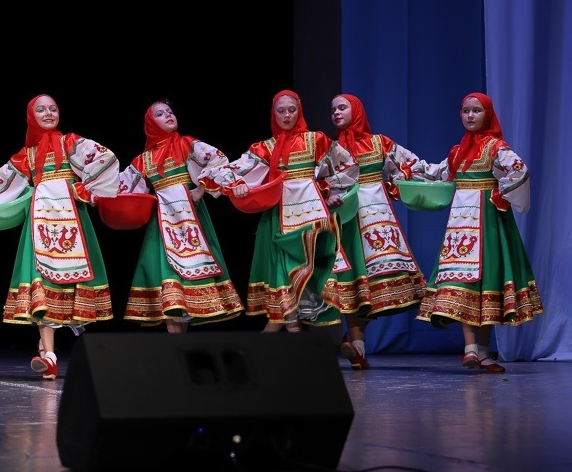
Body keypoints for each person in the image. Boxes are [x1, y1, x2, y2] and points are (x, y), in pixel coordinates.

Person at [0, 94, 119, 379]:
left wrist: (87, 189)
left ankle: (81, 351)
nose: (48, 113)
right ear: (31, 117)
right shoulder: (28, 155)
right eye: (41, 109)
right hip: (41, 222)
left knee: (75, 283)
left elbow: (105, 159)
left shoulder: (71, 143)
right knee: (42, 285)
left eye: (53, 108)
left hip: (72, 222)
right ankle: (49, 354)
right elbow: (0, 182)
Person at [410, 92, 543, 373]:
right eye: (465, 111)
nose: (470, 116)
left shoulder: (496, 148)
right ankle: (471, 349)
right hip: (461, 224)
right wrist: (406, 165)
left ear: (487, 115)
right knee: (464, 279)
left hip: (488, 222)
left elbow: (519, 170)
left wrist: (500, 193)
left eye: (476, 111)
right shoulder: (458, 152)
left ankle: (481, 353)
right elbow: (437, 172)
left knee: (487, 282)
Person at [226, 89, 356, 332]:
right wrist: (238, 186)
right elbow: (235, 171)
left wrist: (329, 193)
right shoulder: (265, 148)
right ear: (273, 114)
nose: (286, 115)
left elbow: (346, 166)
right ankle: (290, 333)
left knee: (310, 270)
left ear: (300, 111)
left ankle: (292, 341)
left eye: (291, 110)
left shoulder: (315, 140)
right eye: (281, 111)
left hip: (312, 216)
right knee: (284, 274)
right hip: (279, 217)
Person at [319, 94, 428, 369]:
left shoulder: (379, 143)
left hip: (376, 217)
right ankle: (357, 347)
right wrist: (327, 193)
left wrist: (446, 173)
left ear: (356, 110)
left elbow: (410, 165)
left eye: (342, 107)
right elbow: (314, 179)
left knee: (375, 278)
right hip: (346, 216)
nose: (336, 113)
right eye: (332, 109)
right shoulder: (328, 149)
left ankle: (357, 343)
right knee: (354, 279)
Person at [116, 100, 244, 331]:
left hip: (191, 218)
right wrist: (91, 190)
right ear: (150, 123)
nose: (168, 115)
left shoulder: (186, 144)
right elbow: (122, 186)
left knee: (190, 277)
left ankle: (181, 348)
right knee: (169, 281)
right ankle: (177, 346)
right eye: (160, 114)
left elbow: (217, 159)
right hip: (163, 223)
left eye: (170, 112)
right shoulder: (144, 160)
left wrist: (202, 187)